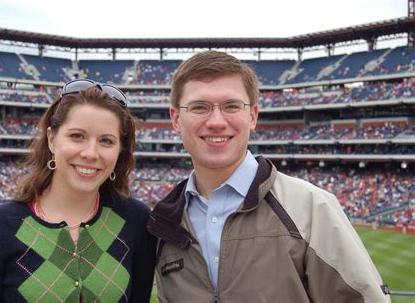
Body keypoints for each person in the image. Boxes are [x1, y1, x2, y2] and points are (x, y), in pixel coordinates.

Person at [147, 51, 391, 302]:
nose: (217, 122)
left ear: (252, 116)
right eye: (200, 107)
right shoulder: (163, 223)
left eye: (232, 106)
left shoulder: (311, 207)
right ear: (176, 119)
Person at [0, 79, 156, 302]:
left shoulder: (136, 221)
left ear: (120, 151)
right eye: (77, 136)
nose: (91, 153)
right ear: (52, 139)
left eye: (106, 141)